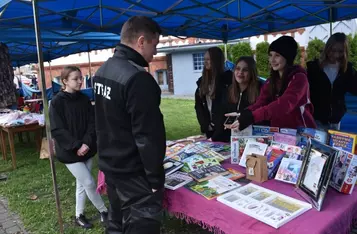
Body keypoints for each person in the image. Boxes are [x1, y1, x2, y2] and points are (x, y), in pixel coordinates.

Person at [93, 16, 166, 234]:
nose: (156, 51)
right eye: (155, 44)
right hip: (133, 173)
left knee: (116, 225)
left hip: (111, 166)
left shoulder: (103, 70)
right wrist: (154, 178)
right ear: (141, 41)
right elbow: (148, 135)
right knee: (139, 225)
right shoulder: (137, 78)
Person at [49, 66, 108, 229]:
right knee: (88, 182)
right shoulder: (56, 102)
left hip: (87, 149)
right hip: (69, 151)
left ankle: (79, 215)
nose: (80, 81)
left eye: (81, 78)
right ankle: (104, 210)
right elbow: (57, 129)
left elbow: (92, 122)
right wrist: (76, 145)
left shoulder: (83, 99)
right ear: (65, 81)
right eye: (76, 79)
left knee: (81, 184)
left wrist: (87, 143)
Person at [225, 36, 316, 131]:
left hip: (301, 131)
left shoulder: (299, 78)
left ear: (287, 57)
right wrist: (244, 113)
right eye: (270, 55)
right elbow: (260, 103)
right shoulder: (271, 81)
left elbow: (283, 105)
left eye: (277, 55)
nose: (272, 60)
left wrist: (251, 117)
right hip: (279, 132)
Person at [307, 32, 357, 130]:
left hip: (336, 120)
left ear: (345, 52)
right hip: (316, 119)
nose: (336, 54)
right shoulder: (314, 68)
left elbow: (355, 88)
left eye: (340, 51)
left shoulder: (347, 70)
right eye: (333, 50)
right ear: (327, 48)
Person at [212, 56, 261, 142]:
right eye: (237, 69)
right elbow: (222, 116)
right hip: (229, 140)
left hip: (253, 140)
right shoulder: (228, 90)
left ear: (252, 72)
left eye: (245, 70)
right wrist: (214, 138)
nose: (240, 72)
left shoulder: (260, 90)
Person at [194, 47, 232, 141]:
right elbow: (198, 106)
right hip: (209, 130)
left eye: (208, 59)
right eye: (204, 59)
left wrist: (219, 127)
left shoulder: (228, 80)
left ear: (216, 60)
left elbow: (228, 107)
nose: (205, 62)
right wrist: (205, 125)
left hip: (225, 131)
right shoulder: (202, 81)